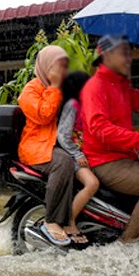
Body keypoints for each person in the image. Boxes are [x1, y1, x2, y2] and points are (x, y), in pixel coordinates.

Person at [80, 35, 139, 243]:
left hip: (125, 158)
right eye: (124, 53)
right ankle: (127, 244)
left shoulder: (119, 85)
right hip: (105, 161)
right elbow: (99, 128)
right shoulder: (95, 87)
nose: (129, 58)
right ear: (106, 55)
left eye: (129, 53)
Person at [17, 45, 74, 246]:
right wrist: (55, 86)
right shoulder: (30, 91)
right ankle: (52, 220)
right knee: (64, 162)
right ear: (46, 67)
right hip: (36, 148)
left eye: (64, 67)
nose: (62, 71)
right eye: (58, 67)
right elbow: (44, 115)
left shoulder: (61, 88)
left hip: (57, 144)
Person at [56, 71, 98, 245]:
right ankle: (69, 222)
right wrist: (77, 154)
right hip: (73, 156)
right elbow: (63, 135)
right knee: (92, 184)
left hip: (85, 155)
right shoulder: (73, 105)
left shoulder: (84, 104)